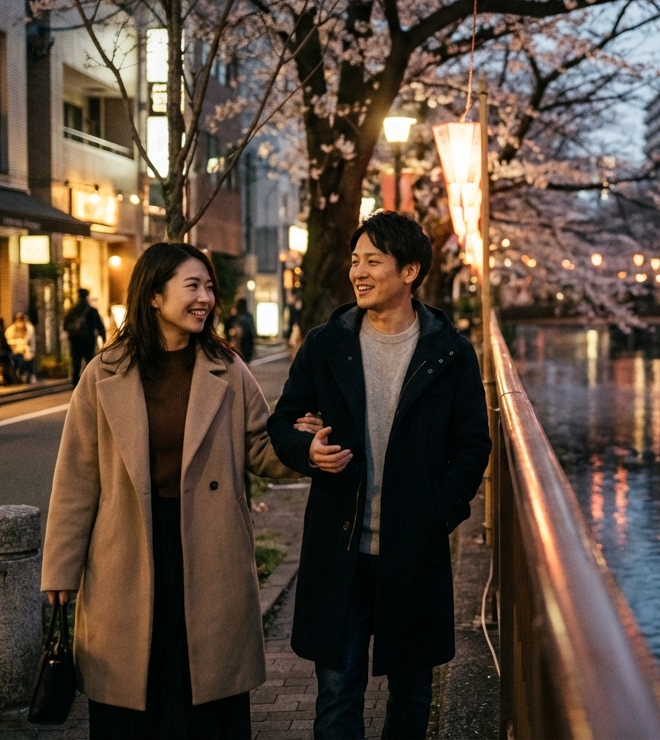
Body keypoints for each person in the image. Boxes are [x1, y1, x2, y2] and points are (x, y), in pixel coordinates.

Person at [42, 242, 298, 739]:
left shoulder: (228, 368)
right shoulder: (103, 373)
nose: (205, 298)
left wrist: (305, 447)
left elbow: (262, 449)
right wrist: (60, 567)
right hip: (127, 550)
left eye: (209, 288)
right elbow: (76, 477)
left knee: (208, 692)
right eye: (192, 286)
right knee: (133, 691)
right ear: (155, 296)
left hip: (209, 546)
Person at [267, 212, 491, 740]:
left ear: (409, 271)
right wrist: (307, 450)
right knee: (338, 695)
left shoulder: (450, 352)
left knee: (411, 696)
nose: (358, 272)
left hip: (414, 551)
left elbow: (472, 444)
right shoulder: (327, 344)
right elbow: (284, 420)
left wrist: (440, 512)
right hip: (340, 550)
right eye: (354, 261)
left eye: (373, 261)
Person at [63, 288, 107, 386]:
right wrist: (103, 339)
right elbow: (99, 326)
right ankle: (89, 385)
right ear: (87, 297)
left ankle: (75, 385)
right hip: (89, 341)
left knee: (76, 363)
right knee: (90, 363)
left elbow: (65, 326)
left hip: (75, 341)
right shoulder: (92, 311)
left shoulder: (72, 310)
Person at [4, 313, 36, 383]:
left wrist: (30, 350)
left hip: (25, 350)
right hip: (14, 351)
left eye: (21, 320)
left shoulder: (28, 329)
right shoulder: (11, 330)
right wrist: (16, 343)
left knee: (28, 359)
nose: (19, 322)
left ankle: (28, 374)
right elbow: (8, 340)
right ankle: (22, 374)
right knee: (19, 360)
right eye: (18, 320)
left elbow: (30, 341)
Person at [229, 298, 255, 363]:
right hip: (247, 342)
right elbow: (252, 330)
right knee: (246, 362)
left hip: (239, 343)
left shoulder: (235, 317)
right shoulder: (248, 316)